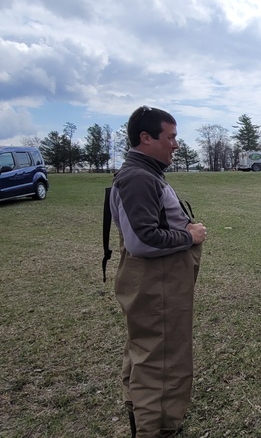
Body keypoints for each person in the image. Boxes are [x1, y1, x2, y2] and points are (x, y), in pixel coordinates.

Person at [110, 105, 207, 437]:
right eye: (171, 137)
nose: (176, 145)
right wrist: (189, 235)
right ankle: (159, 429)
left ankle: (144, 421)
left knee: (147, 353)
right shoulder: (138, 178)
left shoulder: (144, 174)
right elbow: (141, 240)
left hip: (157, 283)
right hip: (157, 285)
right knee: (162, 363)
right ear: (146, 138)